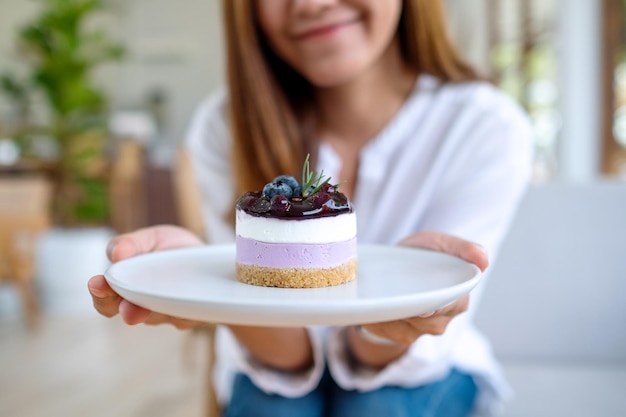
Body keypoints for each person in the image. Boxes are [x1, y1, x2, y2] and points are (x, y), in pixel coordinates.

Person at [88, 0, 533, 416]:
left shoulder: (484, 125)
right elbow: (283, 356)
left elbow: (412, 352)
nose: (311, 4)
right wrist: (203, 287)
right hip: (270, 367)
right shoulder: (224, 125)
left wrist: (407, 309)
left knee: (378, 406)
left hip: (419, 368)